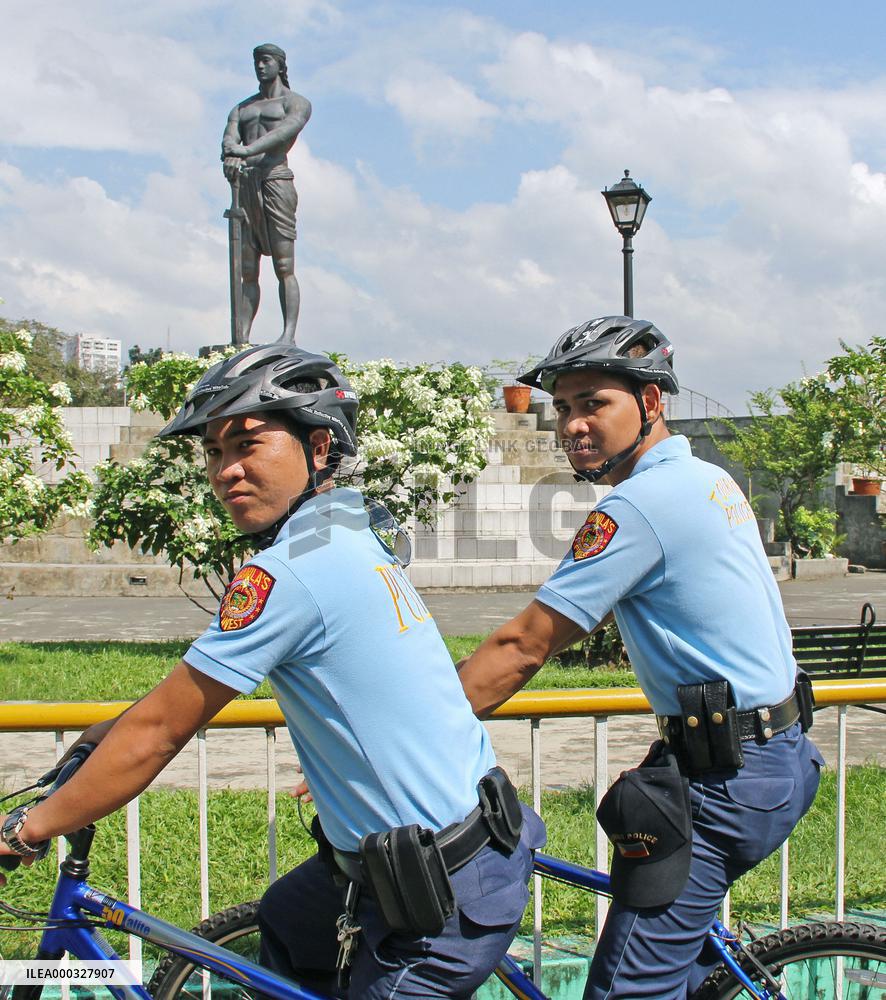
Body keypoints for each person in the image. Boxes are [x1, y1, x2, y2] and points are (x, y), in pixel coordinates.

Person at [0, 344, 545, 999]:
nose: (226, 471)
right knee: (286, 927)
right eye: (213, 453)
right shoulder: (343, 527)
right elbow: (178, 698)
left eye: (248, 445)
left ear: (319, 447)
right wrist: (98, 738)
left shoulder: (285, 572)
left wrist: (27, 831)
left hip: (441, 896)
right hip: (448, 841)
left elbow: (160, 732)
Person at [457, 316, 824, 1000]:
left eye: (593, 403)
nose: (571, 424)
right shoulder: (708, 478)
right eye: (562, 408)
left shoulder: (639, 506)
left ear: (651, 403)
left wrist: (410, 736)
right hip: (776, 755)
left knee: (626, 990)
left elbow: (524, 645)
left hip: (730, 781)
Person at [222, 44, 311, 343]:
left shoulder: (296, 103)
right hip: (245, 187)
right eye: (256, 61)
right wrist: (233, 157)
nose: (260, 66)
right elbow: (229, 142)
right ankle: (241, 339)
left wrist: (245, 151)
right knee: (247, 268)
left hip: (275, 181)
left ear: (280, 65)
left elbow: (283, 133)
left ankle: (288, 335)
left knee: (284, 265)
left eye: (266, 61)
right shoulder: (241, 109)